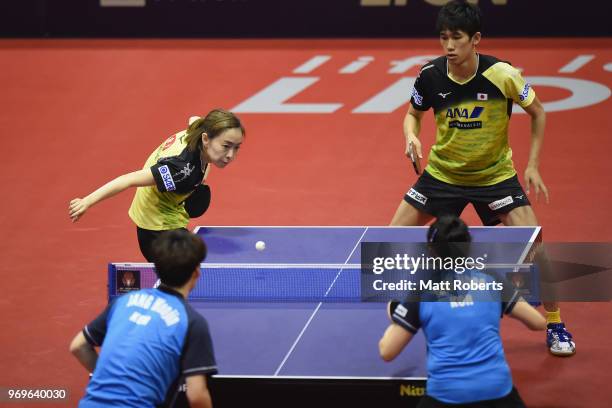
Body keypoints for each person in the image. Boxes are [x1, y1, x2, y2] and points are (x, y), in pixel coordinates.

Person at [389, 0, 575, 356]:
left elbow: (538, 112)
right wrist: (410, 135)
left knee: (537, 248)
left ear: (475, 39)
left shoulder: (502, 74)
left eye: (456, 38)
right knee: (389, 241)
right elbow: (412, 114)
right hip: (442, 174)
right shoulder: (430, 75)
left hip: (495, 177)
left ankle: (555, 322)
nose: (449, 46)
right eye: (443, 38)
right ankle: (408, 311)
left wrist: (532, 165)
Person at [379, 216, 547, 407]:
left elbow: (387, 351)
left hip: (446, 396)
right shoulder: (492, 280)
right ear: (468, 248)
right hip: (497, 393)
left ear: (431, 251)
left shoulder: (422, 292)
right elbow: (538, 323)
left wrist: (398, 315)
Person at [69, 109, 245, 261]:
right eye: (226, 146)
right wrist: (86, 201)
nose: (231, 155)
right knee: (184, 271)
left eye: (236, 147)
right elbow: (127, 180)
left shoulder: (198, 129)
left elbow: (194, 118)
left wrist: (201, 178)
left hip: (169, 205)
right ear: (206, 139)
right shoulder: (179, 170)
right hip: (156, 228)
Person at [69, 229, 216, 408]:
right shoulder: (192, 323)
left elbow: (78, 346)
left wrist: (113, 382)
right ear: (196, 273)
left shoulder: (123, 302)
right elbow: (197, 396)